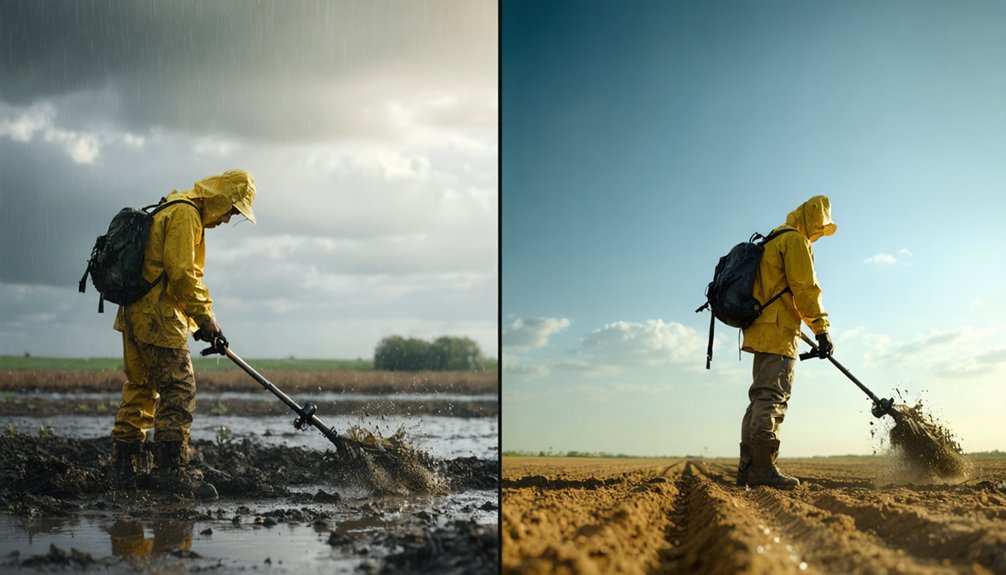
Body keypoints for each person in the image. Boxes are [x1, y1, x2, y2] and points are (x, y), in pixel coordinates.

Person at [108, 169, 257, 496]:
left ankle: (123, 469)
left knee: (141, 388)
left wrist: (196, 320)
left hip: (135, 313)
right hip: (157, 318)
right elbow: (182, 276)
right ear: (220, 198)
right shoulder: (186, 214)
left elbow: (165, 271)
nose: (226, 220)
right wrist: (206, 318)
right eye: (230, 211)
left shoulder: (172, 205)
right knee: (179, 389)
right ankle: (170, 472)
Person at [737, 195, 836, 489]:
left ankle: (747, 468)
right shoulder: (795, 241)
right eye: (818, 225)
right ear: (811, 219)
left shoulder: (772, 240)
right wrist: (821, 328)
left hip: (760, 329)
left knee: (759, 398)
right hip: (779, 332)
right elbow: (805, 288)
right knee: (772, 398)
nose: (818, 232)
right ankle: (762, 468)